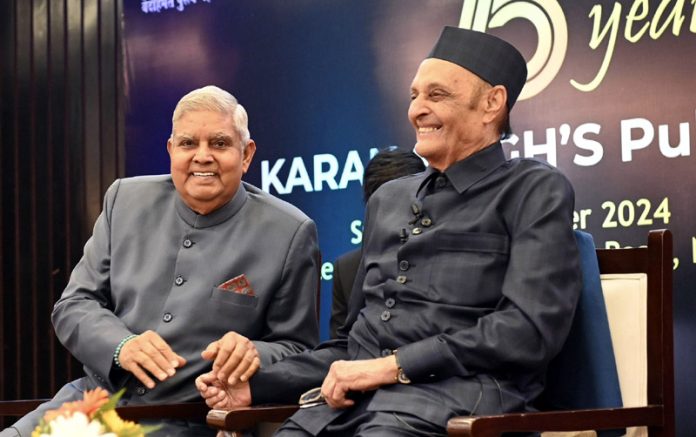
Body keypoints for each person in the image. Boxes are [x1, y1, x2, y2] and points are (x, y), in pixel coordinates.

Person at [196, 26, 582, 436]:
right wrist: (254, 387)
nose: (416, 111)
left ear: (492, 103)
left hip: (463, 404)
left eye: (436, 96)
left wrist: (391, 367)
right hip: (351, 406)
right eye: (414, 96)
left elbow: (527, 331)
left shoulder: (534, 189)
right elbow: (351, 347)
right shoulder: (389, 200)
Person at [1, 85, 320, 437]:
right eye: (188, 144)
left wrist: (253, 353)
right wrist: (120, 346)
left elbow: (298, 350)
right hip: (89, 403)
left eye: (219, 143)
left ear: (246, 154)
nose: (202, 156)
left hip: (188, 421)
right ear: (171, 150)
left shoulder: (290, 232)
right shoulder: (125, 199)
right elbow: (73, 305)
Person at [330, 148, 425, 338]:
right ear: (370, 207)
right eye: (388, 206)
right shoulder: (347, 270)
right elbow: (341, 344)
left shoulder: (446, 256)